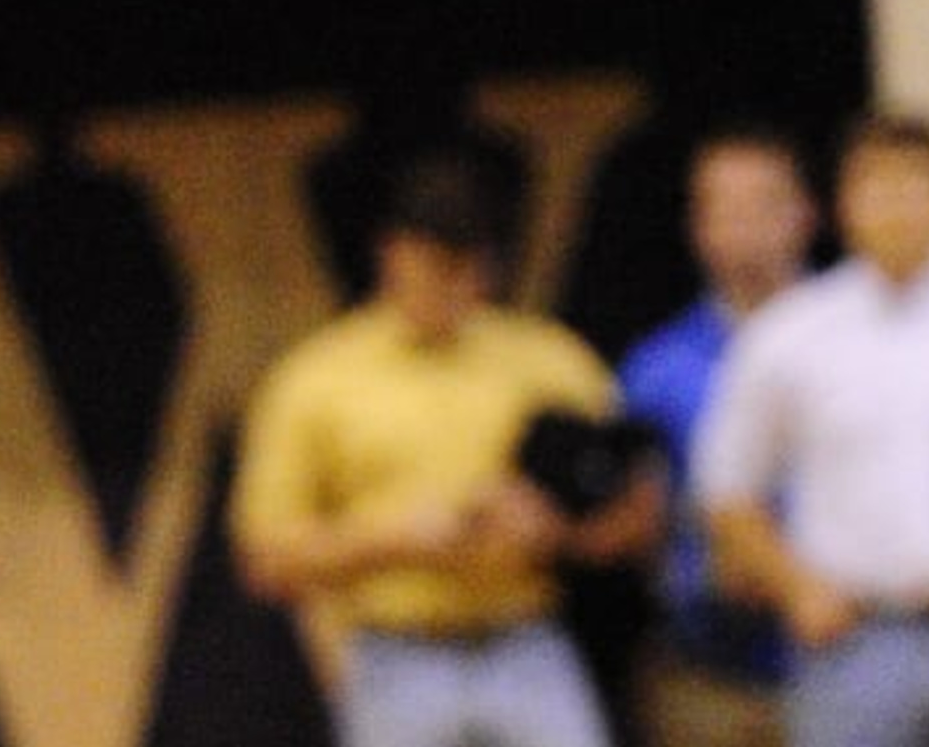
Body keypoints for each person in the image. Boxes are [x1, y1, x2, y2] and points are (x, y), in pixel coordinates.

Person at [232, 152, 662, 747]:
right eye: (437, 266)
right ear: (392, 254)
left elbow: (641, 513)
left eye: (473, 267)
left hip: (527, 641)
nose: (459, 285)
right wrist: (392, 539)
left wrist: (556, 534)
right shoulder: (317, 378)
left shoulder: (549, 360)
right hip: (395, 651)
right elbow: (266, 559)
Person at [695, 114, 929, 747]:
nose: (900, 206)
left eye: (917, 185)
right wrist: (799, 588)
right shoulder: (790, 331)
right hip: (856, 635)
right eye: (879, 187)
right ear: (842, 204)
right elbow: (727, 491)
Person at [617, 123, 821, 747]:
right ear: (697, 226)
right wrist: (701, 563)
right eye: (723, 209)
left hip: (853, 655)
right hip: (709, 671)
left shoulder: (871, 342)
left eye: (764, 205)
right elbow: (634, 527)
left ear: (808, 214)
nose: (745, 229)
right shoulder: (656, 368)